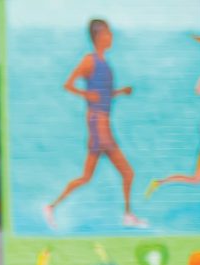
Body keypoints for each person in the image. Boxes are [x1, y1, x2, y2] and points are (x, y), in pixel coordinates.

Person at [46, 19, 146, 226]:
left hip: (102, 125)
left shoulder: (103, 62)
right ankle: (127, 215)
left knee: (87, 177)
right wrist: (86, 94)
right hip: (98, 125)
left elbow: (103, 93)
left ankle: (52, 206)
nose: (110, 37)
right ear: (97, 37)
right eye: (107, 34)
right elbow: (68, 84)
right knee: (127, 172)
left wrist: (120, 92)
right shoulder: (89, 61)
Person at [148, 47, 200, 196]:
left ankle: (160, 182)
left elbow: (198, 90)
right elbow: (199, 90)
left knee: (198, 179)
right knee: (199, 178)